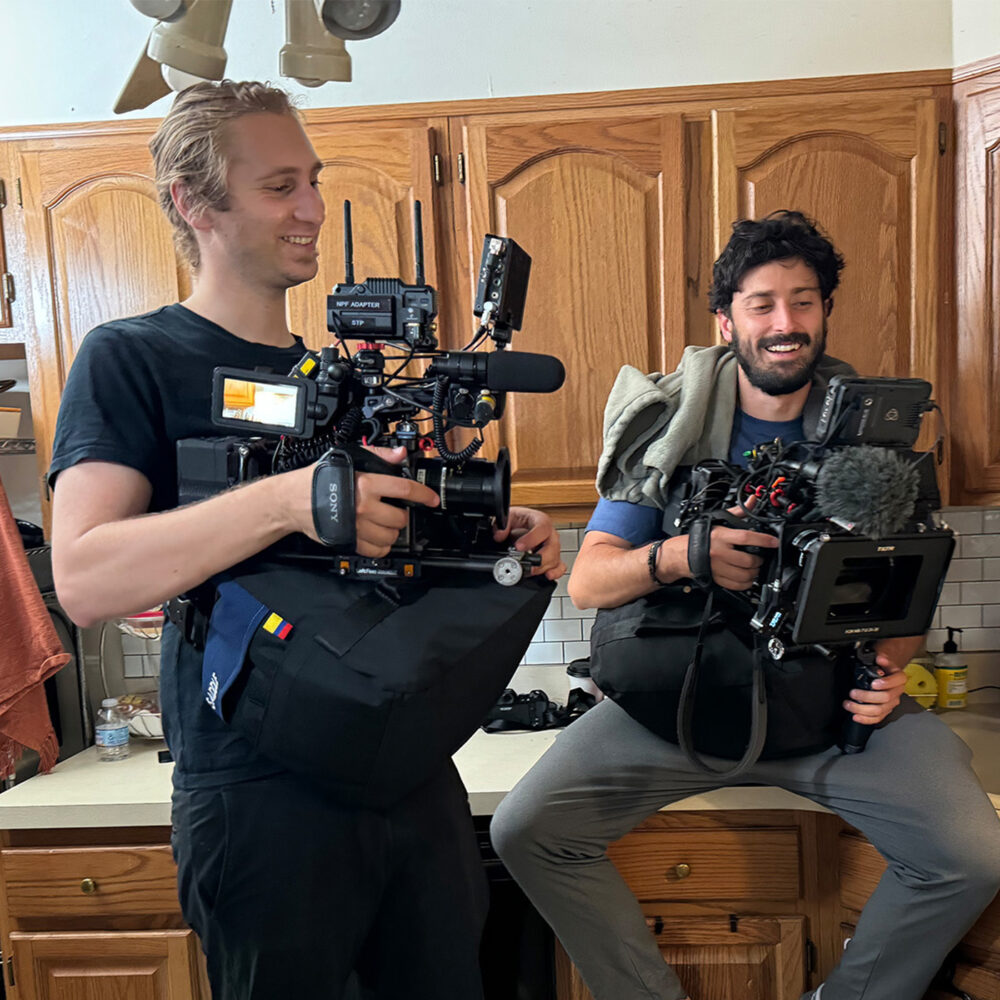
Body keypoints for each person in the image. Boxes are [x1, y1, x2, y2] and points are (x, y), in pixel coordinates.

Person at [47, 80, 564, 1000]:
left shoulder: (355, 377)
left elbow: (388, 560)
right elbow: (85, 576)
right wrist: (295, 499)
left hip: (405, 767)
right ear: (195, 205)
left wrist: (486, 534)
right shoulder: (132, 357)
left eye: (314, 182)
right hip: (256, 793)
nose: (314, 209)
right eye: (280, 186)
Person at [491, 210, 1000, 1000]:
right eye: (762, 304)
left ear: (826, 313)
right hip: (682, 704)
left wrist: (890, 670)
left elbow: (904, 594)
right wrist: (686, 554)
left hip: (829, 717)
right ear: (728, 320)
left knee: (971, 856)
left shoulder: (873, 436)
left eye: (803, 301)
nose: (784, 324)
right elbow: (588, 581)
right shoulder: (669, 425)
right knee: (527, 830)